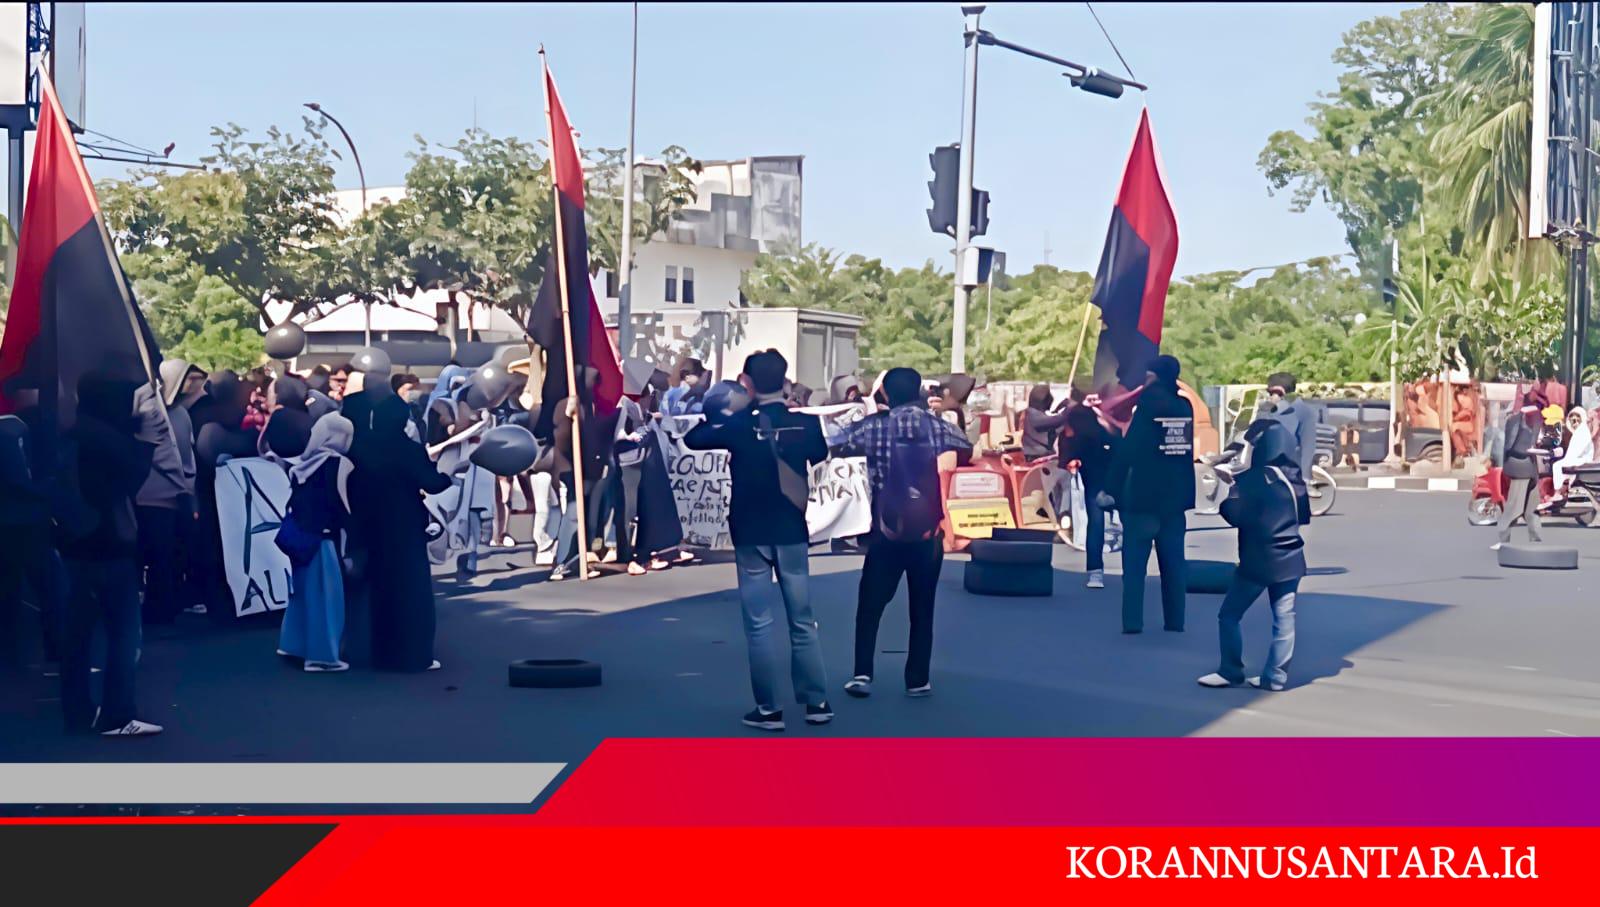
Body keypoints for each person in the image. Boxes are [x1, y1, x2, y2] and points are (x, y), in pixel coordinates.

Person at [684, 350, 832, 730]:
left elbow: (693, 439)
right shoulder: (806, 424)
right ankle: (816, 702)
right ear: (785, 381)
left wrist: (729, 411)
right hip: (791, 529)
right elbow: (819, 453)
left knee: (759, 623)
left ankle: (769, 709)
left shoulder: (737, 425)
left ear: (746, 384)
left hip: (750, 531)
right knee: (802, 620)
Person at [832, 366, 972, 699]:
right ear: (919, 392)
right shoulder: (938, 426)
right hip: (927, 533)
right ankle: (917, 679)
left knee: (870, 604)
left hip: (886, 530)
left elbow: (837, 443)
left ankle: (863, 673)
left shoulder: (873, 427)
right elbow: (965, 446)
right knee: (922, 607)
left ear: (886, 394)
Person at [57, 371, 162, 736]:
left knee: (77, 635)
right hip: (109, 545)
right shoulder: (108, 440)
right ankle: (117, 713)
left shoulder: (72, 432)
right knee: (123, 633)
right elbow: (128, 481)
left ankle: (77, 711)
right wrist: (147, 444)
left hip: (74, 545)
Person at [1198, 417, 1306, 692]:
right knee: (1284, 619)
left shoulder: (1251, 479)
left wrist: (1230, 486)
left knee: (1229, 615)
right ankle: (1276, 678)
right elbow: (1303, 515)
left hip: (1258, 560)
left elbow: (1232, 514)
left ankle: (1231, 671)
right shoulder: (1293, 479)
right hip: (1291, 558)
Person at [348, 396, 451, 671]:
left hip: (371, 525)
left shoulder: (362, 446)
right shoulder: (409, 450)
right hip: (406, 527)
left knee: (381, 592)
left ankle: (383, 654)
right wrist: (448, 475)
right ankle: (415, 655)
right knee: (412, 593)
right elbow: (432, 483)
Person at [1106, 355, 1195, 634]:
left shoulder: (1146, 407)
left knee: (1134, 568)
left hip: (1143, 499)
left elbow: (1129, 451)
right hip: (1175, 500)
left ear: (1154, 376)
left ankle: (1133, 622)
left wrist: (1110, 489)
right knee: (1174, 567)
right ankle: (1175, 621)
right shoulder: (1184, 407)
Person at [278, 415, 355, 672]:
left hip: (300, 538)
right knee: (326, 600)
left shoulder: (304, 463)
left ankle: (293, 645)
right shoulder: (339, 463)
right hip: (324, 540)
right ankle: (322, 657)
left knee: (301, 595)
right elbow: (343, 504)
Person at [134, 359, 201, 625]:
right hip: (150, 495)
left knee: (166, 556)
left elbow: (187, 453)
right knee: (153, 556)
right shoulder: (148, 411)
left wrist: (187, 486)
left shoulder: (181, 414)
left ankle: (162, 609)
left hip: (174, 496)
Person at [1059, 402, 1117, 589]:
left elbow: (1067, 442)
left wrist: (1070, 459)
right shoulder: (1104, 415)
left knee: (1096, 521)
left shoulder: (1077, 416)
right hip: (1110, 472)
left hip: (1096, 474)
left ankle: (1096, 572)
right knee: (1105, 520)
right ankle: (1127, 571)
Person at [1493, 394, 1545, 550]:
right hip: (1521, 468)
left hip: (1529, 469)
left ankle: (1535, 541)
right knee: (1515, 508)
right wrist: (1529, 449)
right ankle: (1504, 540)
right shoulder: (1518, 421)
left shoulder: (1533, 420)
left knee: (1531, 509)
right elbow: (1511, 445)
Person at [1265, 371, 1321, 490]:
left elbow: (1308, 445)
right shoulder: (1267, 409)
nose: (1270, 396)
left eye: (1272, 392)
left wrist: (1305, 476)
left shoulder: (1303, 411)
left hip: (1290, 472)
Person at [262, 374, 314, 459]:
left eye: (268, 393)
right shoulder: (311, 421)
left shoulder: (279, 419)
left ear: (277, 396)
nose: (265, 400)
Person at [1552, 406, 1594, 498]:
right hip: (1579, 458)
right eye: (1572, 420)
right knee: (1560, 465)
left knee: (1557, 466)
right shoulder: (1578, 432)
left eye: (1577, 419)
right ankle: (1563, 492)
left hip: (1583, 459)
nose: (1574, 422)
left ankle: (1558, 493)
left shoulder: (1582, 431)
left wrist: (1566, 460)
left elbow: (1576, 452)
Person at [1019, 383, 1070, 460]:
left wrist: (1062, 407)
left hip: (1043, 454)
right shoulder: (1032, 413)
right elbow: (1054, 422)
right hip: (1035, 455)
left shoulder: (1037, 414)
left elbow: (1055, 426)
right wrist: (1068, 410)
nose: (1052, 399)